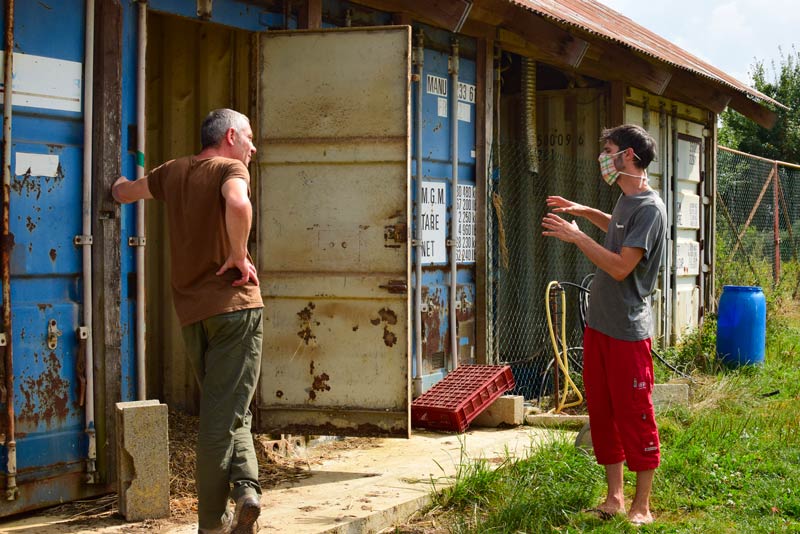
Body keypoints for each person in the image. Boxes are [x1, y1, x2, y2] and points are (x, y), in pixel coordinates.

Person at [113, 108, 263, 534]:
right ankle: (212, 524)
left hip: (193, 315)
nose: (253, 147)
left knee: (230, 409)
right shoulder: (230, 168)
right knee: (221, 419)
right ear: (230, 135)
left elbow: (125, 193)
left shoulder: (172, 172)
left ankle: (247, 492)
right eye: (249, 137)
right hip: (235, 309)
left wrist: (116, 183)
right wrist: (238, 252)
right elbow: (238, 202)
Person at [541, 124, 666, 526]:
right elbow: (616, 226)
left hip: (627, 333)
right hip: (599, 326)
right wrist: (583, 211)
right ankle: (614, 498)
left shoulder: (649, 208)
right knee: (603, 412)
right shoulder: (628, 202)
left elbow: (619, 266)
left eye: (609, 150)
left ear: (628, 156)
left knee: (635, 413)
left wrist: (577, 237)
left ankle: (641, 506)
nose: (604, 159)